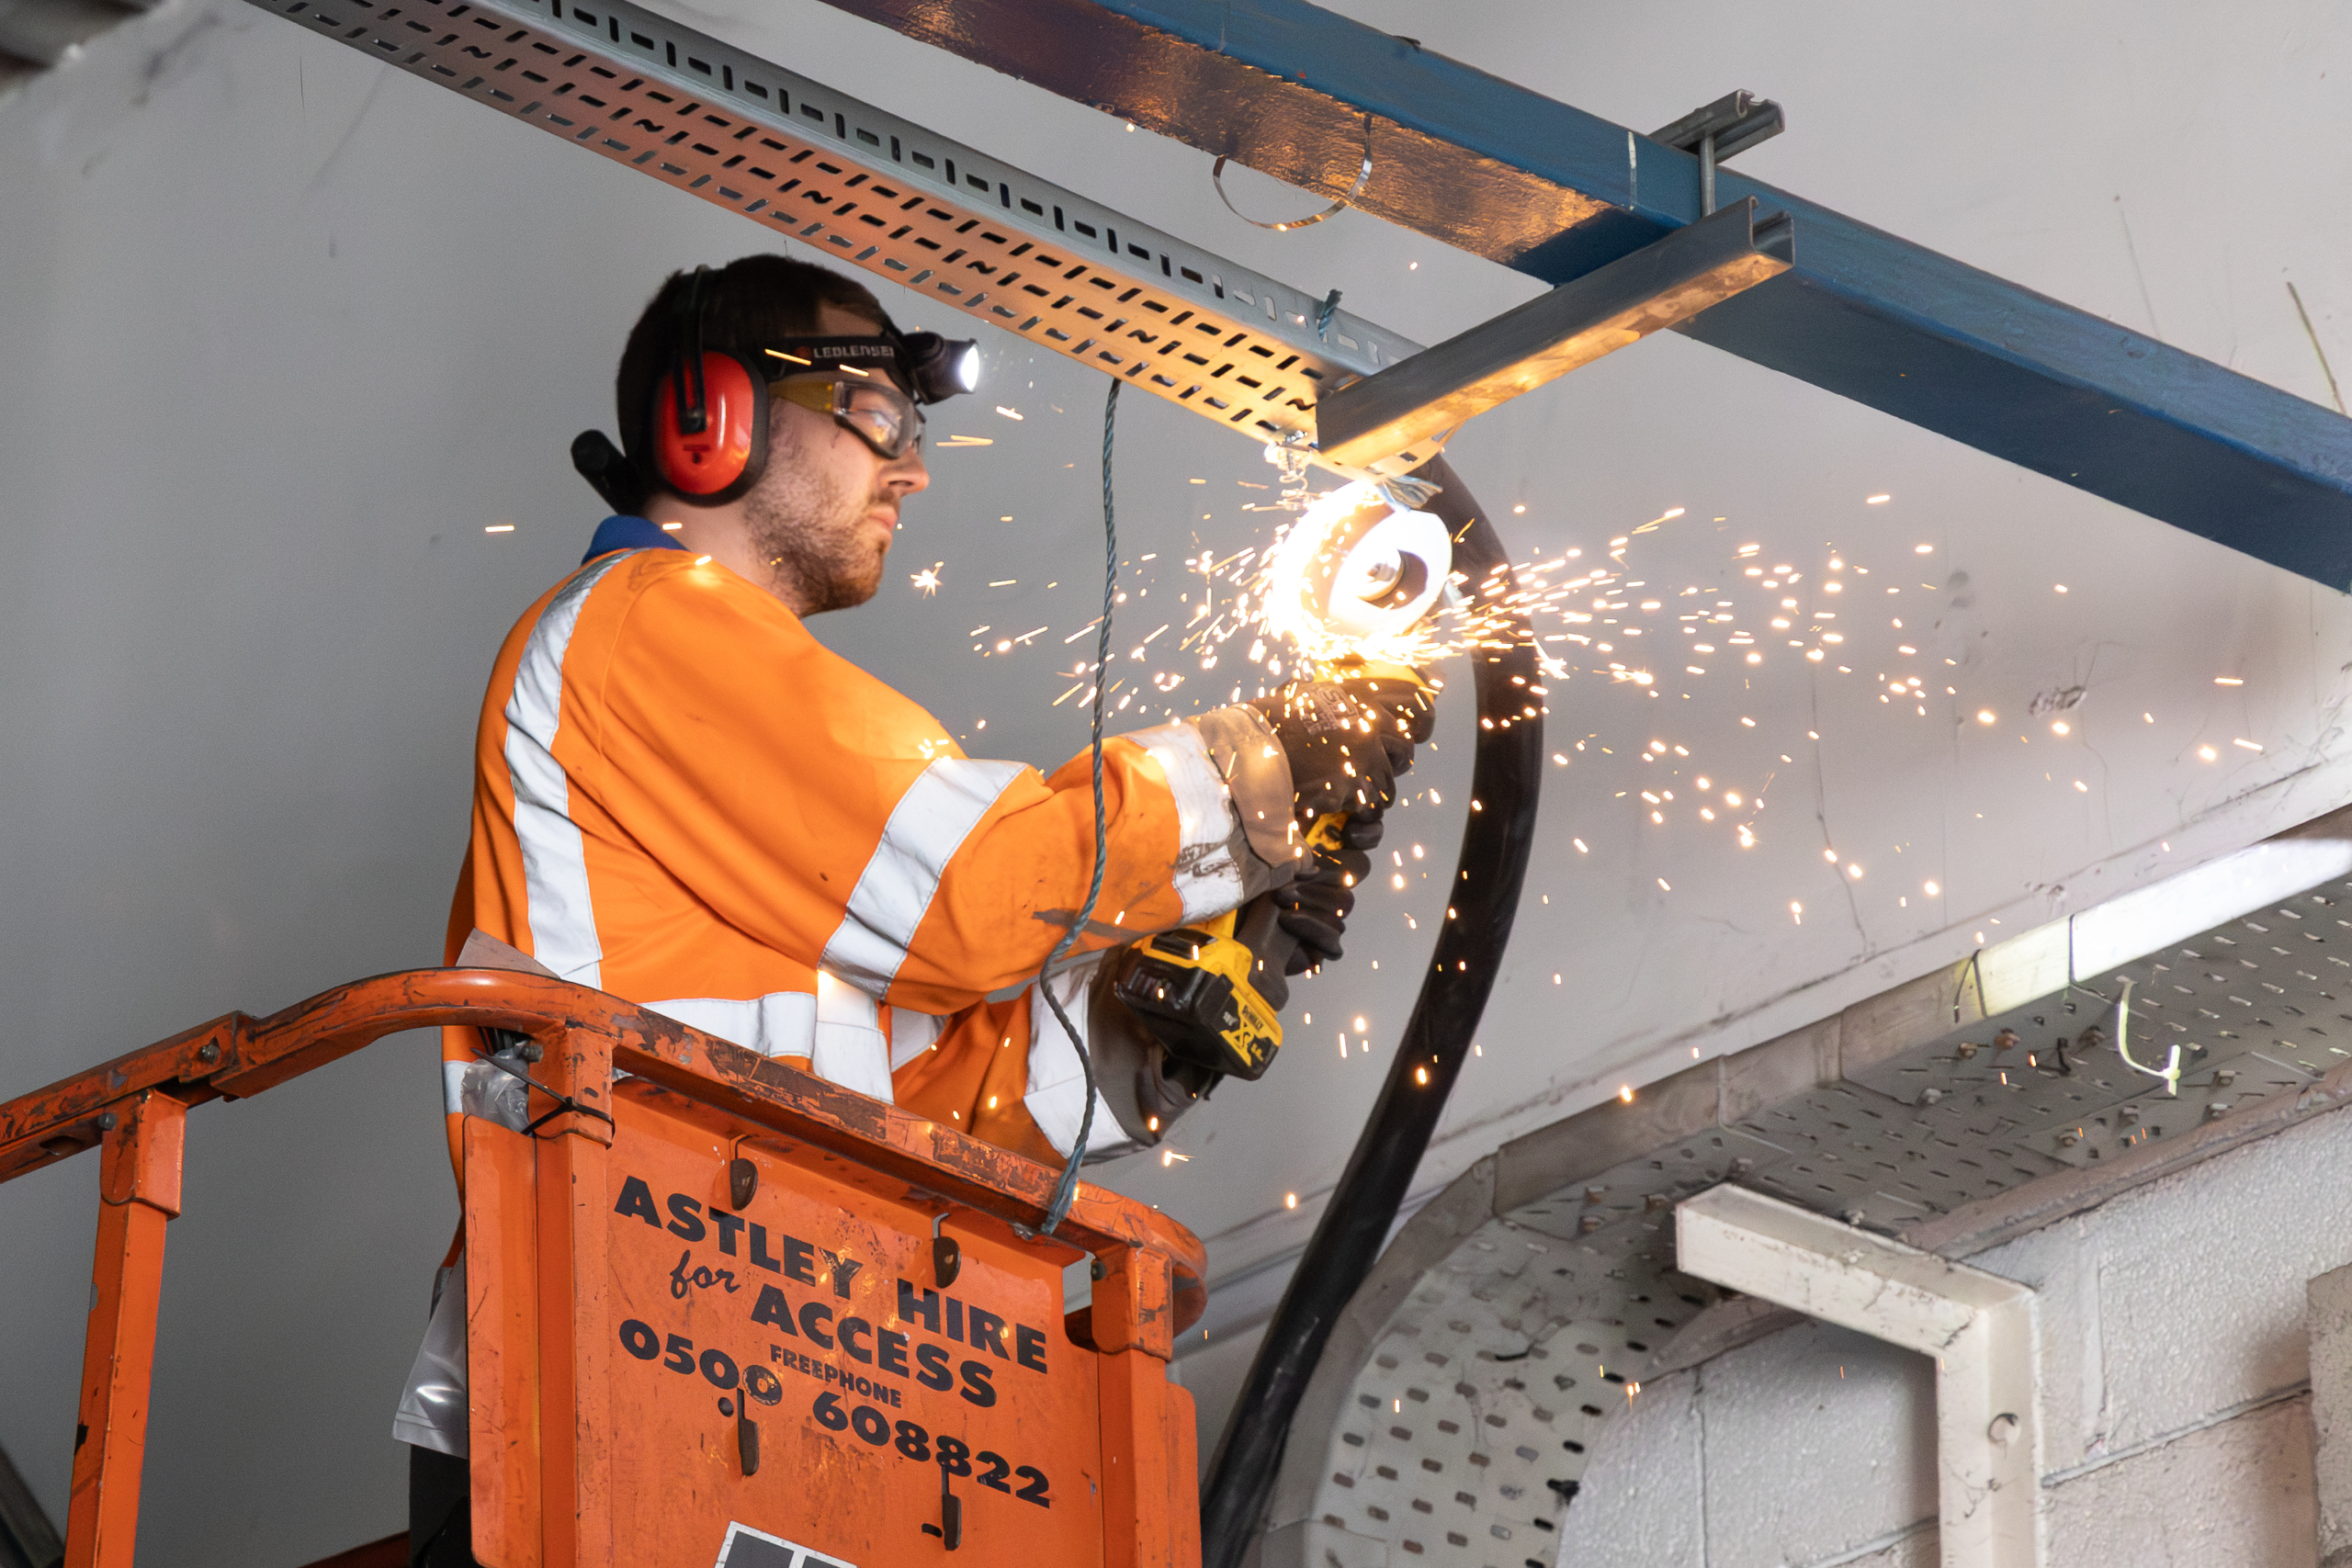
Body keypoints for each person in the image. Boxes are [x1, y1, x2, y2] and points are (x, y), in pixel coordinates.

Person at [394, 254, 1426, 1564]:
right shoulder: (639, 627)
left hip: (751, 1364)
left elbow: (925, 1107)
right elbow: (975, 901)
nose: (912, 469)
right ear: (709, 421)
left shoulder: (756, 821)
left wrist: (1135, 1025)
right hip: (615, 1375)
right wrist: (1257, 772)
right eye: (875, 416)